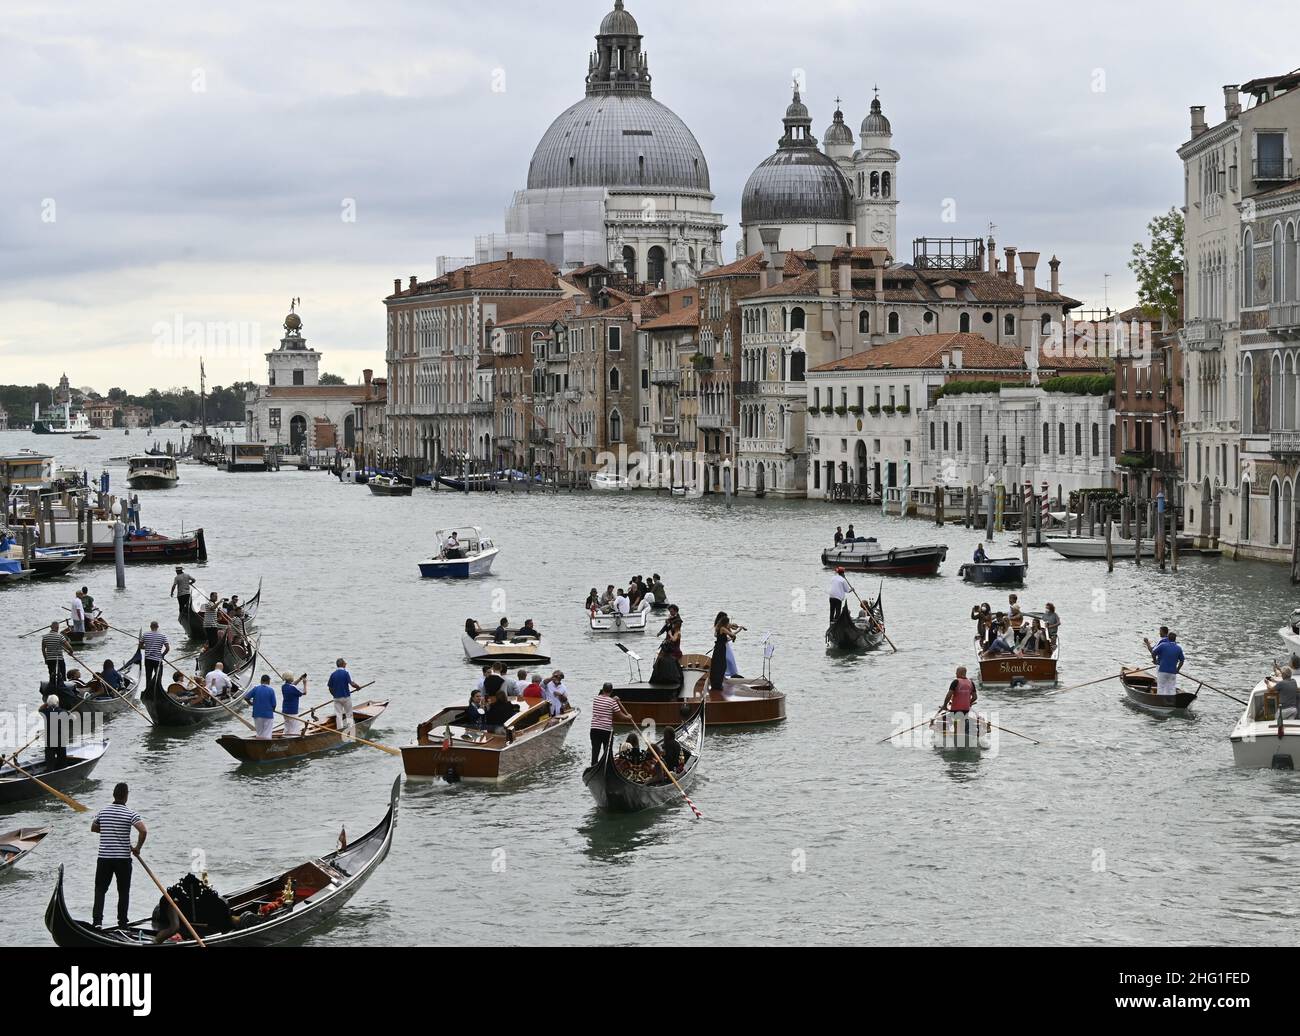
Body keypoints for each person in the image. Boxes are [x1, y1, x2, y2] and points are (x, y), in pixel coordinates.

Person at [91, 783, 147, 930]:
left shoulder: (103, 811)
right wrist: (137, 848)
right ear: (126, 796)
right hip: (123, 859)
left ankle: (97, 922)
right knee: (123, 892)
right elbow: (143, 831)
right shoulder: (130, 813)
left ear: (114, 795)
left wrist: (108, 829)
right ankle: (123, 923)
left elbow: (94, 827)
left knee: (100, 890)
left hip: (104, 858)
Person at [1144, 630, 1185, 697]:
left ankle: (1161, 702)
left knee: (1161, 687)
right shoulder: (1179, 648)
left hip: (1162, 671)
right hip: (1173, 672)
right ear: (1175, 639)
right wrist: (1177, 669)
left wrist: (1154, 661)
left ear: (1168, 638)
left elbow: (1153, 652)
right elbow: (1182, 661)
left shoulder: (1163, 645)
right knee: (1171, 688)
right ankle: (1171, 702)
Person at [328, 659, 362, 735]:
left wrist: (334, 695)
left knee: (338, 715)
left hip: (336, 698)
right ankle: (350, 729)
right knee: (349, 713)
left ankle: (339, 730)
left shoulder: (333, 674)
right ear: (342, 664)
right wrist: (358, 687)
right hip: (346, 697)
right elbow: (352, 683)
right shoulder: (346, 673)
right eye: (345, 663)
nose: (346, 664)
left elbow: (330, 687)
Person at [589, 683, 619, 765]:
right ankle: (607, 765)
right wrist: (628, 717)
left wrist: (612, 699)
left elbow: (604, 701)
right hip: (606, 730)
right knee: (608, 752)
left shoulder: (596, 699)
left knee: (595, 751)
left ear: (602, 689)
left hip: (594, 729)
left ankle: (593, 766)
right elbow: (619, 715)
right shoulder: (612, 702)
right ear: (611, 691)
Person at [139, 622, 170, 697]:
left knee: (148, 677)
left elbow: (140, 646)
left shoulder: (145, 635)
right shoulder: (162, 636)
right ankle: (158, 693)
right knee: (158, 677)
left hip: (148, 660)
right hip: (158, 660)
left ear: (150, 627)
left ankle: (148, 693)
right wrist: (162, 655)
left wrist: (148, 647)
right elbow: (167, 648)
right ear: (158, 627)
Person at [40, 694, 70, 769]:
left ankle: (50, 770)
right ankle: (61, 769)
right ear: (57, 702)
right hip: (60, 740)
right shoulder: (63, 712)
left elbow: (39, 709)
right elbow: (74, 718)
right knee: (62, 760)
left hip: (49, 740)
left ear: (48, 703)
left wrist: (47, 703)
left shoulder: (44, 711)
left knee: (49, 761)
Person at [244, 675, 278, 740]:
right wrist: (273, 710)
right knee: (267, 733)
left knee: (259, 733)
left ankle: (258, 746)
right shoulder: (271, 690)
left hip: (257, 714)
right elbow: (274, 704)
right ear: (268, 681)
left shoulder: (256, 689)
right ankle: (266, 746)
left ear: (261, 681)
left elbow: (246, 697)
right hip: (268, 715)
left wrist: (251, 704)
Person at [41, 622, 70, 686]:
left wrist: (45, 658)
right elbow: (68, 647)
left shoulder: (45, 637)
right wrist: (71, 652)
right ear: (57, 628)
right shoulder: (60, 636)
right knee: (62, 674)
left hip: (50, 659)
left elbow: (43, 649)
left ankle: (52, 686)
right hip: (59, 659)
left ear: (51, 627)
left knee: (52, 674)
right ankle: (63, 687)